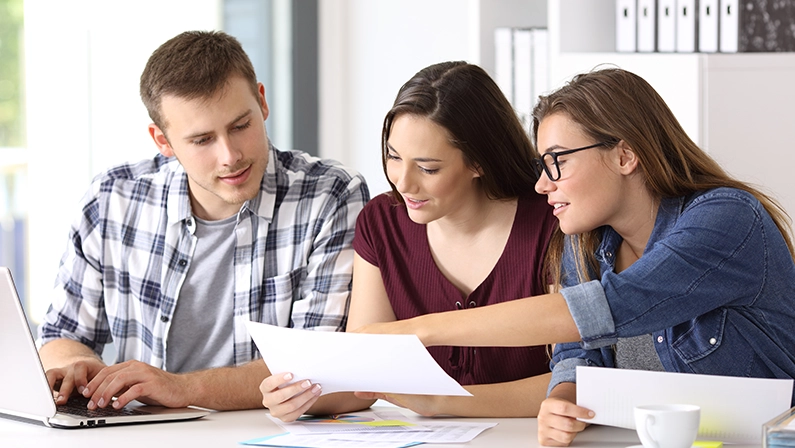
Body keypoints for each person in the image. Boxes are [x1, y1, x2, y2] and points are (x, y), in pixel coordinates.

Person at [352, 67, 795, 446]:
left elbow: (605, 309)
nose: (543, 184)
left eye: (557, 161)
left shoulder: (726, 219)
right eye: (543, 165)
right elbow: (577, 354)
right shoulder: (585, 243)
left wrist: (417, 331)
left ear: (624, 155)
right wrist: (562, 398)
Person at [36, 30, 369, 412]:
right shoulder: (112, 198)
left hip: (264, 434)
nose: (230, 156)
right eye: (202, 140)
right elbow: (60, 334)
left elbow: (321, 364)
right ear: (162, 140)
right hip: (141, 436)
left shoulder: (331, 196)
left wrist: (181, 388)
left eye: (240, 126)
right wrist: (76, 366)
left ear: (261, 102)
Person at [259, 61, 559, 422]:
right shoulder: (381, 223)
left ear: (480, 162)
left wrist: (440, 403)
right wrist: (298, 396)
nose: (403, 182)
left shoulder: (552, 220)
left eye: (428, 168)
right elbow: (364, 375)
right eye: (393, 156)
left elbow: (569, 381)